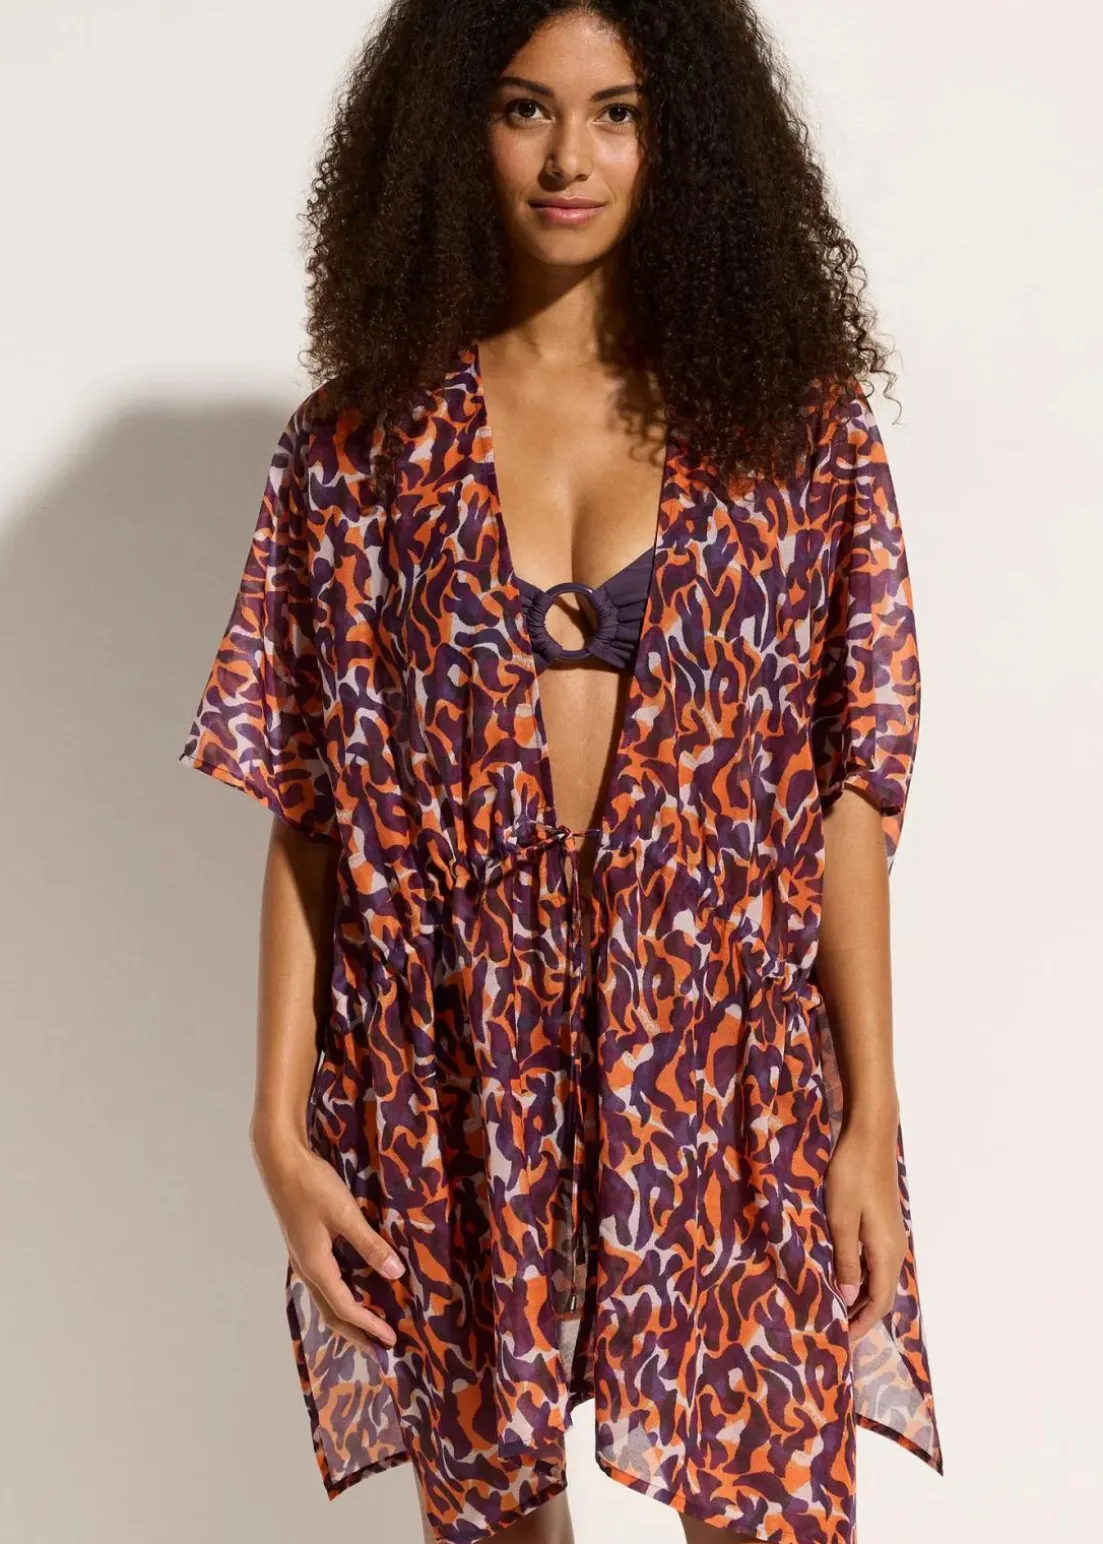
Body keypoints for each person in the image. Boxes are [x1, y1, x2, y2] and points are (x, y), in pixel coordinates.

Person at [178, 3, 943, 1541]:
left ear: (687, 136)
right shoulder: (360, 450)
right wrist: (275, 1127)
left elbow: (846, 790)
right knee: (497, 1520)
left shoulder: (793, 437)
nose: (568, 160)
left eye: (617, 113)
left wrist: (869, 1118)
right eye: (525, 109)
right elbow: (312, 805)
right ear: (449, 130)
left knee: (768, 1509)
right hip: (456, 1068)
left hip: (725, 1071)